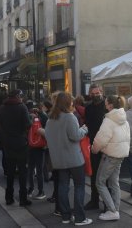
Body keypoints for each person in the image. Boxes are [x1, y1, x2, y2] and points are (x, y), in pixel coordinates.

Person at [44, 91, 92, 226]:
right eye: (71, 101)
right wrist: (84, 129)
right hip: (74, 158)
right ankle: (80, 218)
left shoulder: (50, 119)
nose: (73, 103)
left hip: (58, 160)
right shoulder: (69, 117)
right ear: (67, 103)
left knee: (63, 186)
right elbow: (75, 136)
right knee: (79, 186)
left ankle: (65, 216)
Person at [91, 95, 130, 221]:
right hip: (121, 154)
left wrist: (93, 149)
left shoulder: (108, 120)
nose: (104, 104)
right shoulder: (124, 118)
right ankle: (115, 209)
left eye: (106, 103)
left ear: (110, 105)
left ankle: (112, 210)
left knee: (100, 182)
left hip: (110, 155)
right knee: (114, 183)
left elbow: (101, 139)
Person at [0, 89, 32, 206]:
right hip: (21, 143)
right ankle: (23, 198)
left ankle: (9, 197)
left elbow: (0, 125)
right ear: (18, 96)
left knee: (10, 172)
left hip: (8, 143)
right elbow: (28, 124)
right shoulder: (22, 107)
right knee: (23, 172)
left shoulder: (3, 107)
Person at [84, 84, 107, 210]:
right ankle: (94, 200)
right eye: (93, 93)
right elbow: (87, 125)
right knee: (94, 175)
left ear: (101, 92)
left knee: (106, 176)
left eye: (97, 92)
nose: (95, 95)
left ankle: (107, 203)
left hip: (107, 145)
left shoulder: (107, 106)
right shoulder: (88, 107)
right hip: (93, 145)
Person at [26, 101, 47, 200]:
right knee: (39, 170)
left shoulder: (30, 118)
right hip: (40, 147)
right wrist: (41, 113)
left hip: (30, 147)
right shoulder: (42, 118)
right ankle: (40, 191)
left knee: (30, 169)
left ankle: (31, 189)